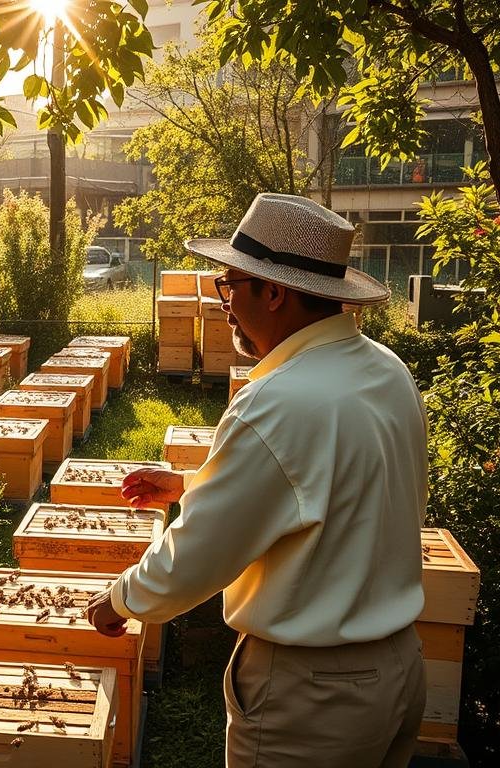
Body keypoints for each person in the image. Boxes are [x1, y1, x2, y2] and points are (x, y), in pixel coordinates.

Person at [87, 193, 428, 768]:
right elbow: (335, 491)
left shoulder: (276, 403)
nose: (222, 303)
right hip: (398, 671)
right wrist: (193, 485)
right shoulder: (386, 372)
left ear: (274, 292)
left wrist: (119, 602)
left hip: (313, 699)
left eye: (231, 284)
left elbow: (197, 556)